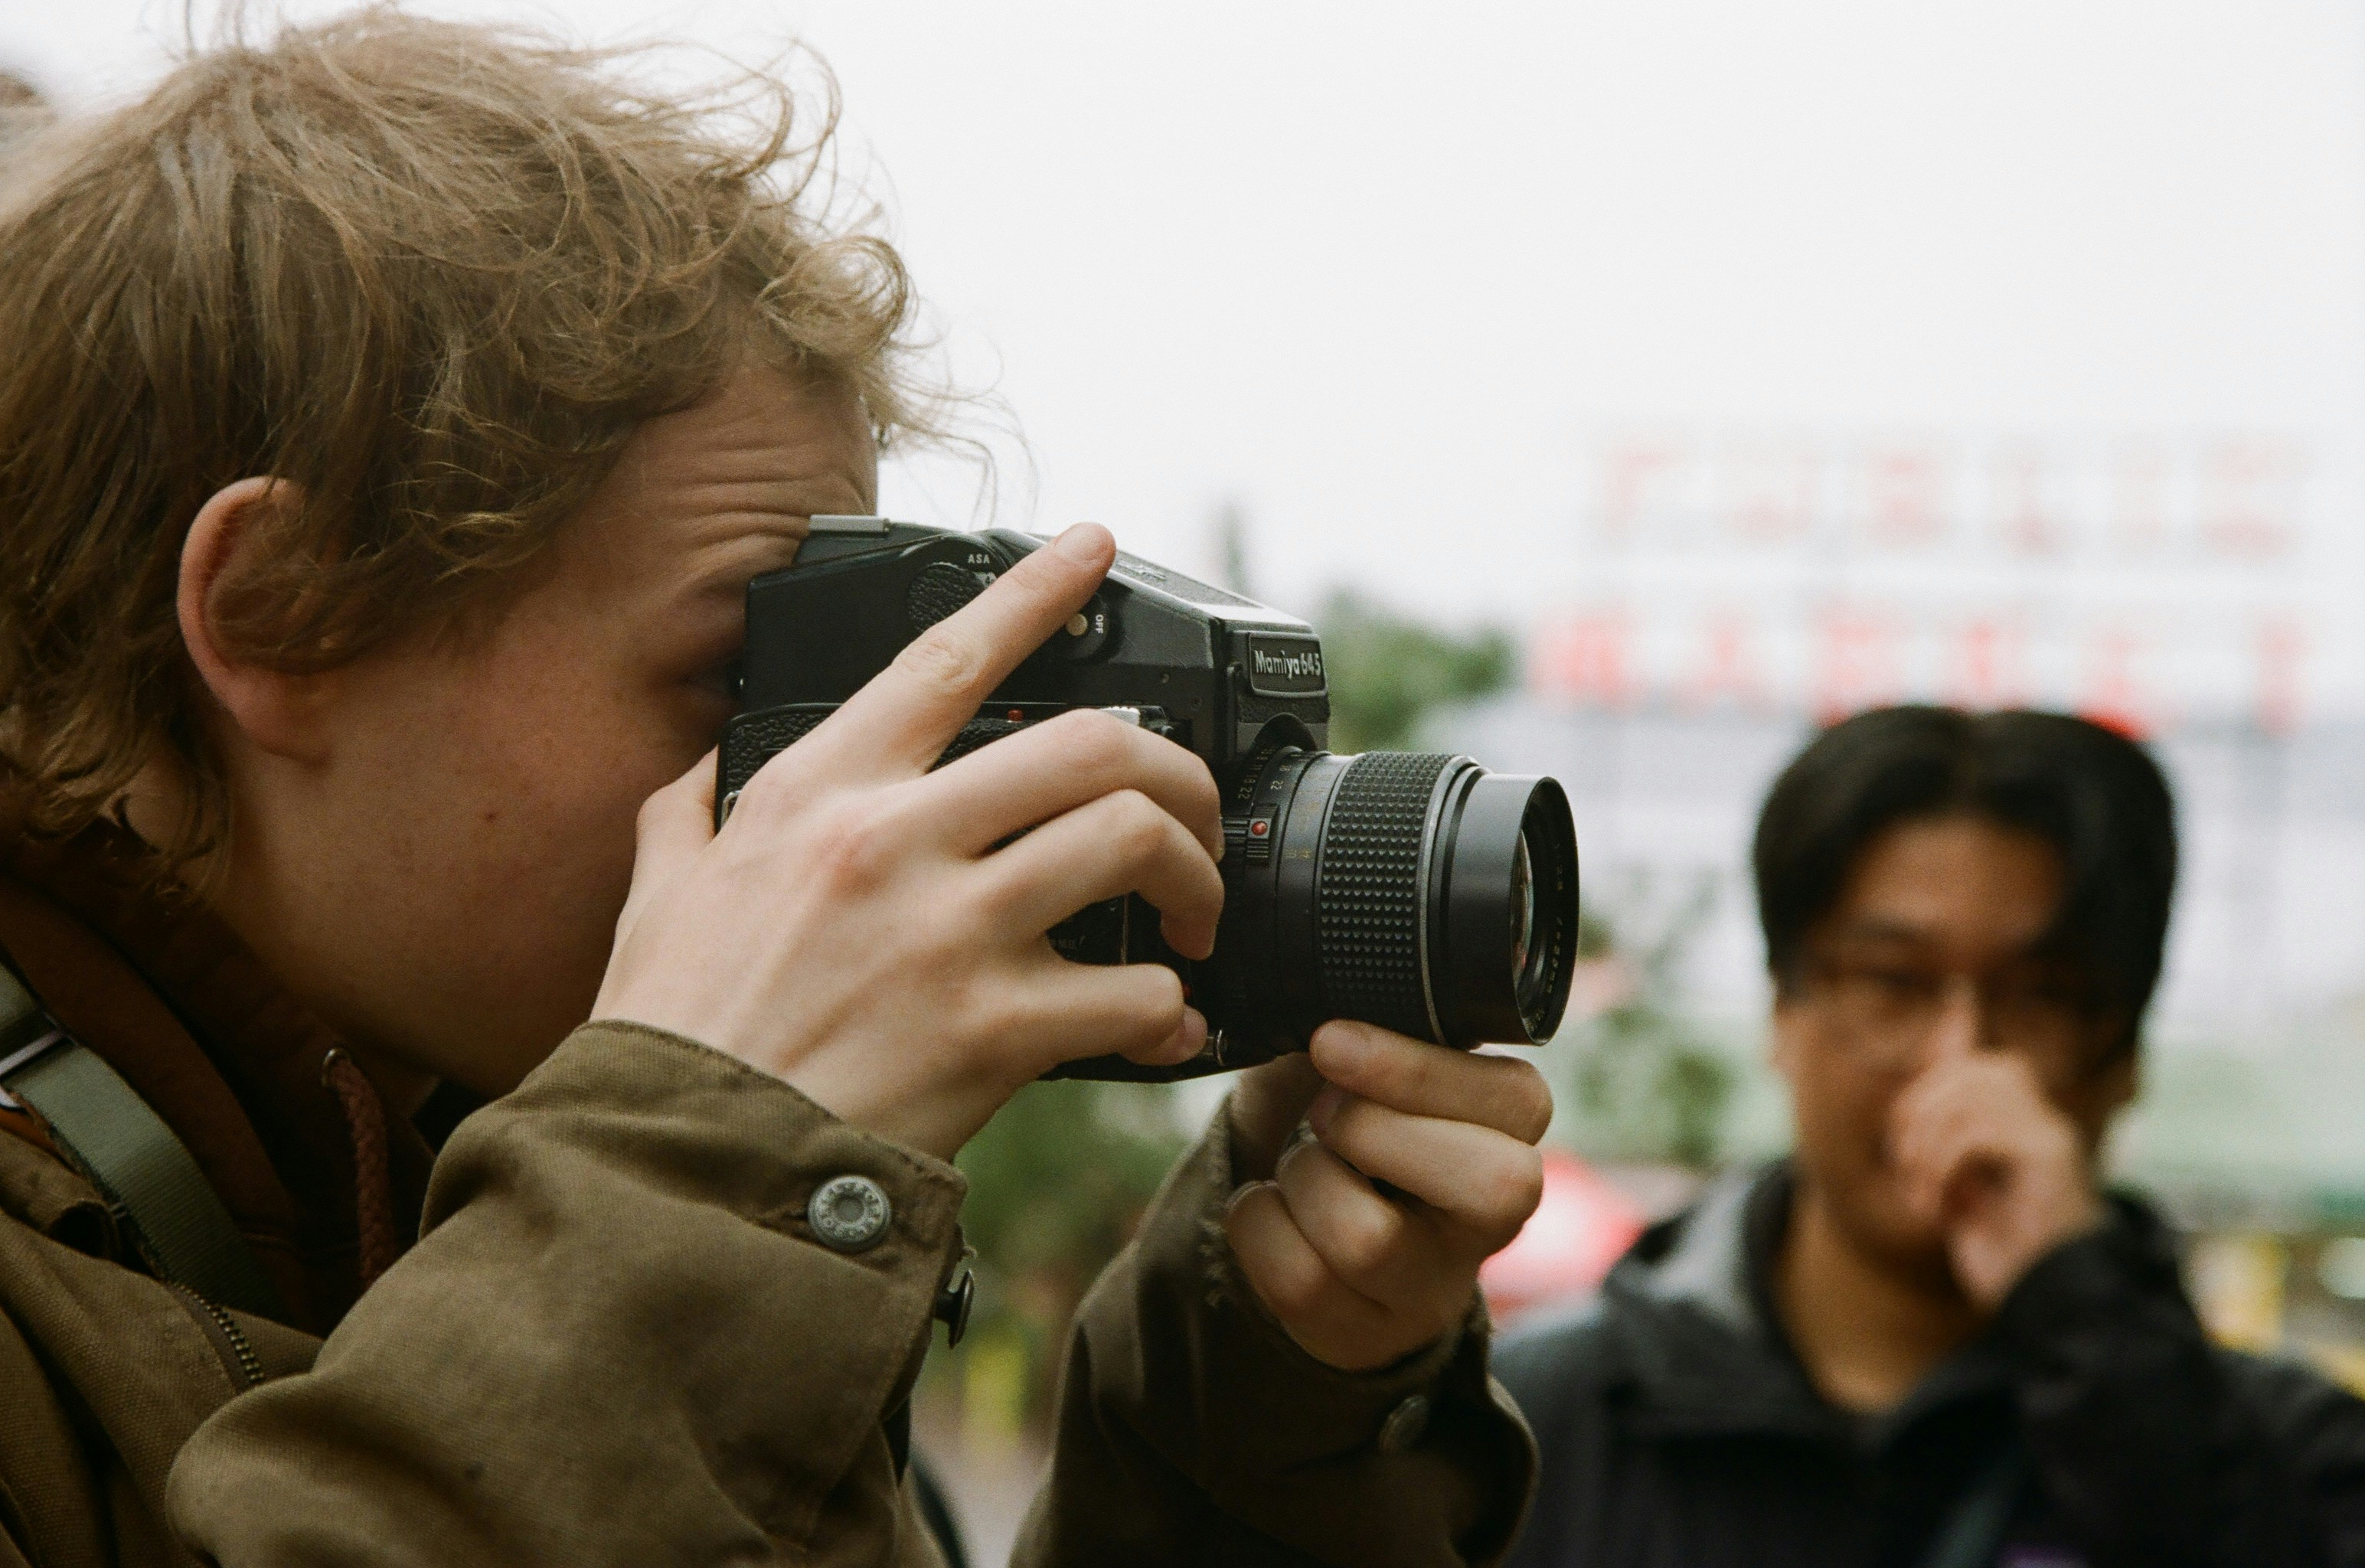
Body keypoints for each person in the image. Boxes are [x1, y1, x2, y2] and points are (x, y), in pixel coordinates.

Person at [0, 13, 1550, 1566]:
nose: (821, 797)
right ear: (280, 610)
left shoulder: (525, 1179)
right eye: (738, 677)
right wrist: (694, 1172)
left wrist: (1263, 1405)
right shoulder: (637, 1206)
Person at [1498, 705, 2365, 1567]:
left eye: (2043, 995)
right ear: (1782, 1009)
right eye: (1892, 981)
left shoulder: (2295, 1459)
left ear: (2126, 1050)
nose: (1961, 1061)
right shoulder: (1527, 1430)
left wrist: (2091, 1330)